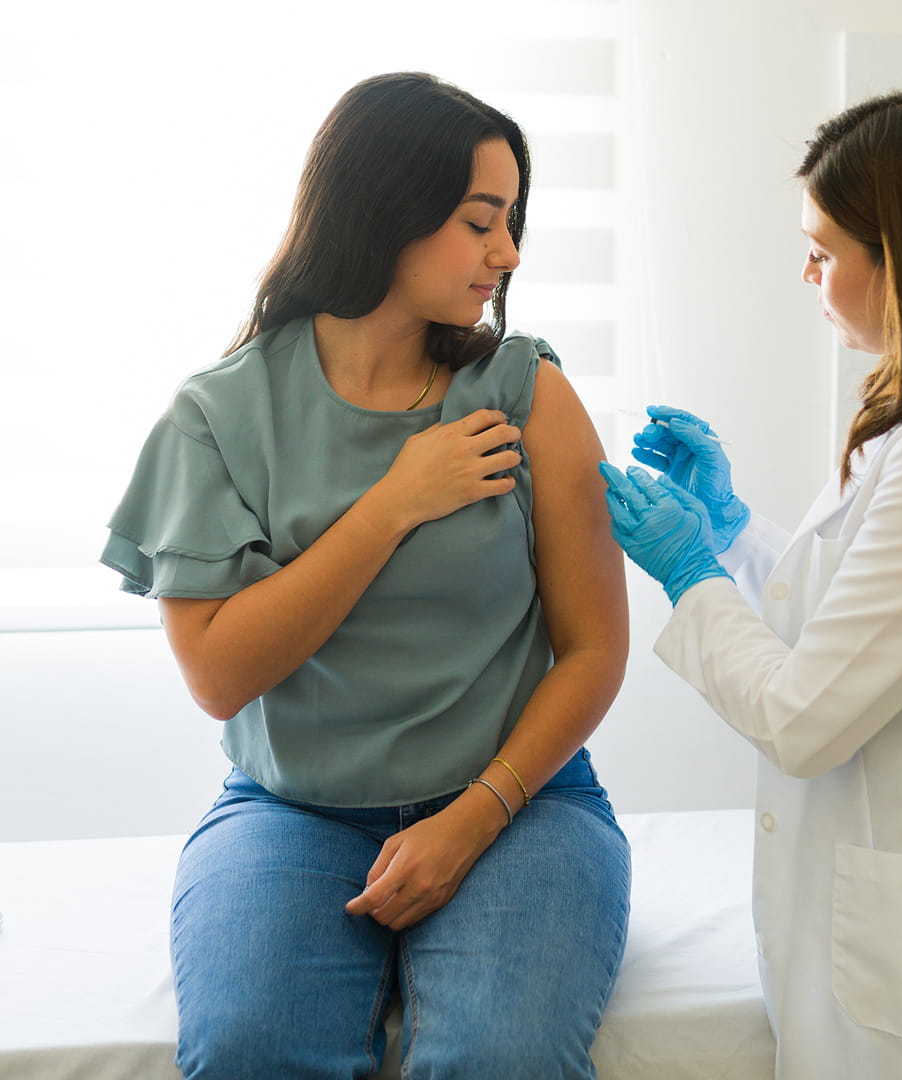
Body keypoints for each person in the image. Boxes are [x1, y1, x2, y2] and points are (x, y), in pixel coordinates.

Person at [101, 72, 631, 1080]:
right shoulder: (216, 418)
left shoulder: (526, 393)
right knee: (249, 1049)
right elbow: (218, 674)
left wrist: (472, 818)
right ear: (385, 211)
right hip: (293, 808)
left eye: (512, 221)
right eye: (482, 221)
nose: (508, 254)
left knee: (502, 1058)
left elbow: (596, 646)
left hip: (521, 802)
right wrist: (393, 504)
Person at [600, 86, 902, 1079]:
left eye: (825, 251)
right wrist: (734, 537)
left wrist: (690, 574)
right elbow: (861, 616)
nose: (806, 273)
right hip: (890, 916)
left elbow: (807, 717)